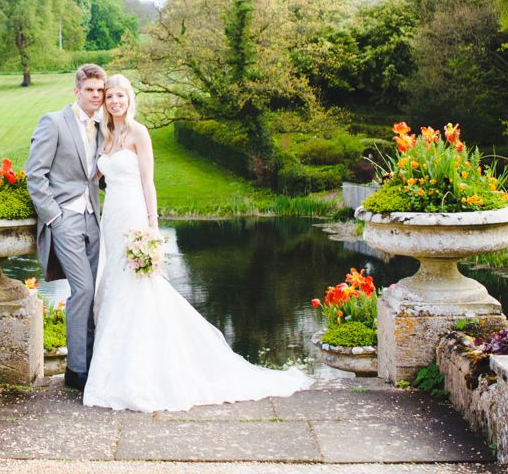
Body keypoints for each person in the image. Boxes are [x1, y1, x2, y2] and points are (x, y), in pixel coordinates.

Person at [84, 74, 313, 412]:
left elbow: (148, 182)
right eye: (110, 97)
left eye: (120, 96)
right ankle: (112, 371)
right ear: (105, 103)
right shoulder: (105, 135)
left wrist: (153, 228)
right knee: (114, 287)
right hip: (111, 218)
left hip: (134, 216)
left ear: (129, 99)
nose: (115, 101)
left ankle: (145, 373)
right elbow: (96, 174)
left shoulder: (139, 133)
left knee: (139, 288)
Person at [24, 63, 106, 390]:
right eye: (90, 90)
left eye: (100, 91)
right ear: (77, 91)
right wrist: (54, 217)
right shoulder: (54, 122)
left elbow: (97, 175)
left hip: (94, 218)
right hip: (65, 219)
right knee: (82, 289)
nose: (96, 96)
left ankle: (89, 364)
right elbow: (35, 174)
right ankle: (76, 370)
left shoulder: (104, 127)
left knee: (93, 292)